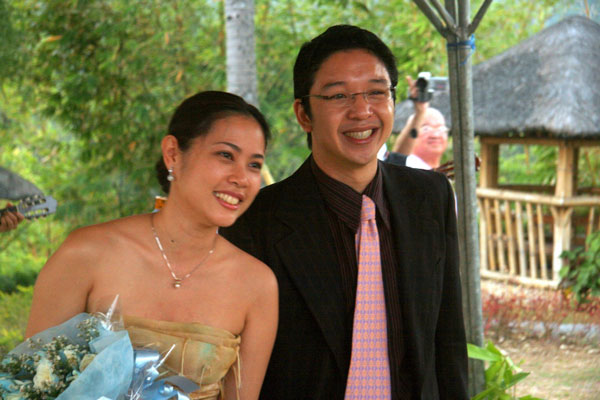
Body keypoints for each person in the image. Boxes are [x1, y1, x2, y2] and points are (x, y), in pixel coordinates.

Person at [221, 25, 468, 399]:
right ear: (304, 114)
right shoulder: (256, 221)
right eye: (338, 95)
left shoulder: (430, 196)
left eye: (376, 92)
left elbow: (448, 340)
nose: (362, 111)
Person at [26, 91, 279, 400]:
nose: (242, 178)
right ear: (173, 153)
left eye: (254, 165)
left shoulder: (257, 285)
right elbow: (29, 381)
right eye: (226, 155)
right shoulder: (86, 254)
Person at [387, 76, 449, 170]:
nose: (435, 135)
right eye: (426, 129)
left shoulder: (446, 171)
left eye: (440, 129)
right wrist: (420, 113)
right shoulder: (408, 167)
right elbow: (397, 160)